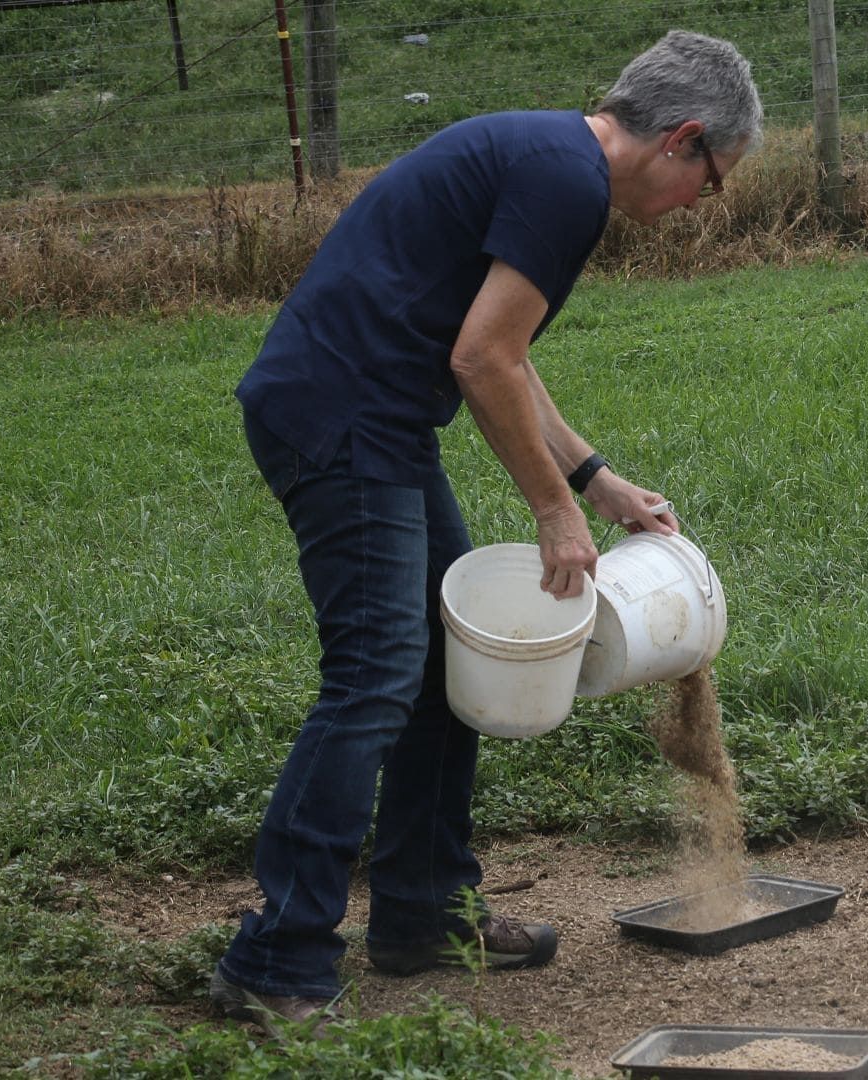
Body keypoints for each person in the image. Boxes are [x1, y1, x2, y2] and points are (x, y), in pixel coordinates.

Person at [208, 30, 762, 1029]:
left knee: (437, 668)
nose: (699, 207)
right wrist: (552, 512)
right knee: (375, 675)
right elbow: (482, 361)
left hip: (372, 412)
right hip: (345, 415)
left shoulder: (549, 157)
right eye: (711, 182)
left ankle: (422, 915)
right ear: (682, 139)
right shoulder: (565, 183)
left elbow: (503, 345)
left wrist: (596, 483)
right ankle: (276, 956)